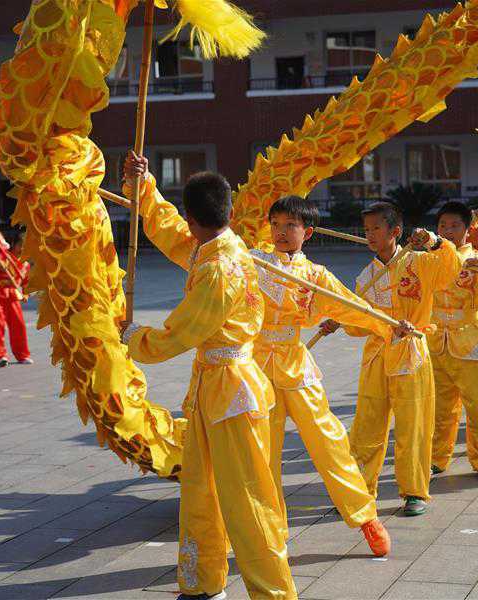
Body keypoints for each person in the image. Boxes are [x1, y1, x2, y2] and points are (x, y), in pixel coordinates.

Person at [122, 153, 296, 600]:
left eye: (186, 218)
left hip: (234, 393)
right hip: (211, 389)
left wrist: (132, 335)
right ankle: (202, 584)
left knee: (246, 501)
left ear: (194, 216)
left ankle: (274, 593)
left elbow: (179, 334)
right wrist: (144, 188)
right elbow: (173, 235)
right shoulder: (219, 245)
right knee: (200, 490)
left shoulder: (219, 268)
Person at [250, 195, 397, 556]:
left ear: (308, 232)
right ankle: (271, 531)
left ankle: (366, 516)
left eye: (291, 226)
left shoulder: (315, 276)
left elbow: (352, 306)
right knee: (260, 453)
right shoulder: (252, 263)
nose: (281, 232)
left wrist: (391, 326)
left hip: (296, 365)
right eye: (276, 224)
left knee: (329, 442)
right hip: (254, 369)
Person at [320, 202, 460, 516]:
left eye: (376, 228)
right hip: (377, 357)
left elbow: (453, 266)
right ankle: (358, 493)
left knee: (413, 426)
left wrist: (435, 241)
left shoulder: (420, 263)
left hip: (411, 354)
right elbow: (360, 322)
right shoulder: (366, 276)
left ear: (395, 231)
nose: (369, 235)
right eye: (366, 230)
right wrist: (338, 321)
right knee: (367, 426)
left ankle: (414, 492)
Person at [428, 200, 478, 480]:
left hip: (471, 339)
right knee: (438, 406)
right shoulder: (428, 257)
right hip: (436, 340)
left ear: (467, 228)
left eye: (454, 225)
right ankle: (436, 457)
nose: (448, 231)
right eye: (443, 225)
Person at [0, 236, 33, 367]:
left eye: (25, 247)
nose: (22, 249)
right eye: (20, 246)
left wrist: (26, 294)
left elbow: (26, 284)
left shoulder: (25, 265)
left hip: (13, 296)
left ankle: (22, 354)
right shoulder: (2, 257)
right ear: (14, 245)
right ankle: (1, 355)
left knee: (19, 325)